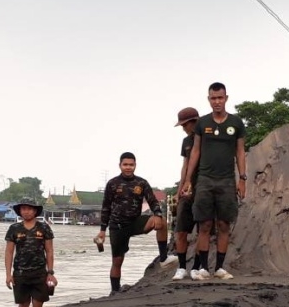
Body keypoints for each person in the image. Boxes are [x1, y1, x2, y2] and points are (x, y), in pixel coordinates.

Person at [180, 82, 246, 280]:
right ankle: (203, 269)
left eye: (220, 98)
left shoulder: (236, 123)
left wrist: (242, 179)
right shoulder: (203, 123)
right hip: (205, 180)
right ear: (208, 99)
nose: (217, 102)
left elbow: (240, 151)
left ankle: (219, 267)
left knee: (224, 224)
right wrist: (188, 181)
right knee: (205, 225)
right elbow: (196, 152)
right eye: (213, 98)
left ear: (226, 98)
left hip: (226, 180)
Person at [96, 152, 167, 294]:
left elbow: (153, 201)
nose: (128, 167)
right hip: (117, 226)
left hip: (136, 222)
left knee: (162, 222)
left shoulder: (141, 183)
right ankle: (114, 291)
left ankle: (164, 257)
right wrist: (102, 230)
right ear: (120, 166)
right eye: (125, 165)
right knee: (117, 261)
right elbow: (106, 208)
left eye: (131, 165)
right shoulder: (112, 183)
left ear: (135, 165)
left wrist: (158, 214)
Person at [4, 200, 56, 307]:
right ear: (20, 211)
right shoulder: (14, 228)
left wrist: (50, 273)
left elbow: (49, 251)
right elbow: (9, 252)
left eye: (29, 209)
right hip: (20, 274)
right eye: (23, 209)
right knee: (23, 305)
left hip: (40, 273)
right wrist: (8, 274)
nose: (26, 212)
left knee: (38, 305)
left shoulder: (44, 228)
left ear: (35, 211)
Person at [171, 106, 203, 281]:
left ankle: (196, 267)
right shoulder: (186, 142)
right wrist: (179, 189)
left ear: (194, 122)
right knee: (181, 231)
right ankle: (182, 267)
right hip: (187, 191)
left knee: (202, 231)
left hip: (203, 188)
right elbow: (185, 165)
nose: (183, 128)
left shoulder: (209, 138)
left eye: (185, 125)